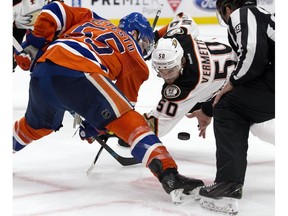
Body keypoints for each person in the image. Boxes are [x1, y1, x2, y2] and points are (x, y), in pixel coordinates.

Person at [13, 1, 204, 202]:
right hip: (81, 73)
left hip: (43, 71)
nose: (145, 49)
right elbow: (122, 109)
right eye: (146, 42)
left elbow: (54, 9)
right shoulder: (136, 59)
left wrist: (34, 43)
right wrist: (94, 128)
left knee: (35, 126)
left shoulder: (92, 18)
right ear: (137, 34)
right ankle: (170, 175)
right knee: (132, 124)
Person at [198, 0, 275, 214]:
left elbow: (253, 55)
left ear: (228, 7)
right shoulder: (263, 16)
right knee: (232, 104)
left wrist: (228, 88)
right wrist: (207, 108)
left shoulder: (244, 13)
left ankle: (228, 185)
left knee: (228, 108)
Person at [143, 13, 235, 138]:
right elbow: (183, 17)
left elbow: (158, 124)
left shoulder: (188, 82)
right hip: (226, 57)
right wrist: (155, 39)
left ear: (181, 61)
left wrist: (131, 130)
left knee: (258, 125)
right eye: (160, 70)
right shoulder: (179, 38)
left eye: (170, 70)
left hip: (238, 85)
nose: (167, 77)